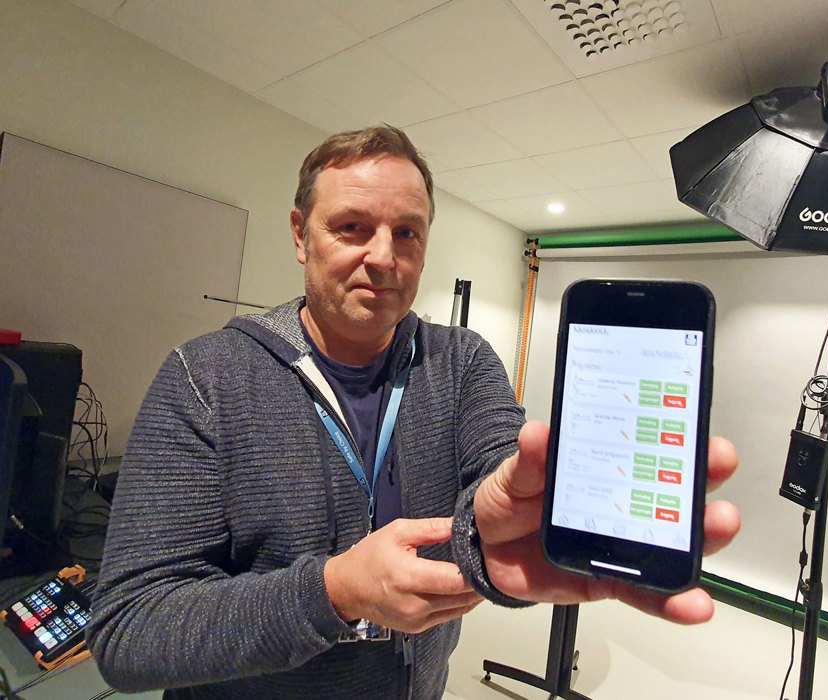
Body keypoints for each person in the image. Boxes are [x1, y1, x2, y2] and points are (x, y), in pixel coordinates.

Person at [86, 126, 740, 699]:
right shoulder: (205, 378)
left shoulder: (462, 363)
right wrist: (335, 591)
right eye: (351, 227)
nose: (383, 256)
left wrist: (511, 525)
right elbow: (130, 632)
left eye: (407, 232)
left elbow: (498, 472)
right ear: (299, 234)